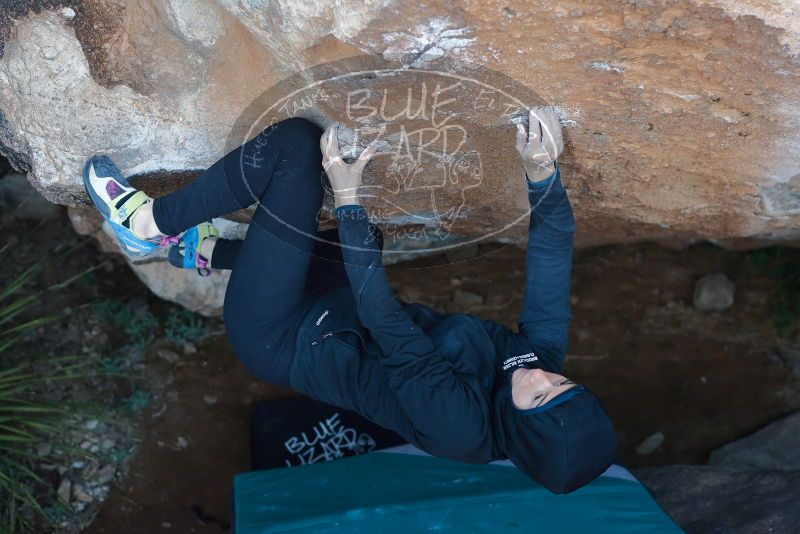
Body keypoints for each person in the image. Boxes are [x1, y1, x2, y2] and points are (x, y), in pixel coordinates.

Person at [82, 107, 618, 494]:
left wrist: (347, 197)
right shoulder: (537, 365)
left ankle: (147, 224)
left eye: (542, 398)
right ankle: (207, 253)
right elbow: (552, 260)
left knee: (296, 145)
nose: (544, 378)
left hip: (281, 335)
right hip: (335, 309)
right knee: (359, 244)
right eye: (563, 382)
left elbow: (384, 320)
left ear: (522, 429)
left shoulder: (459, 427)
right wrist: (543, 173)